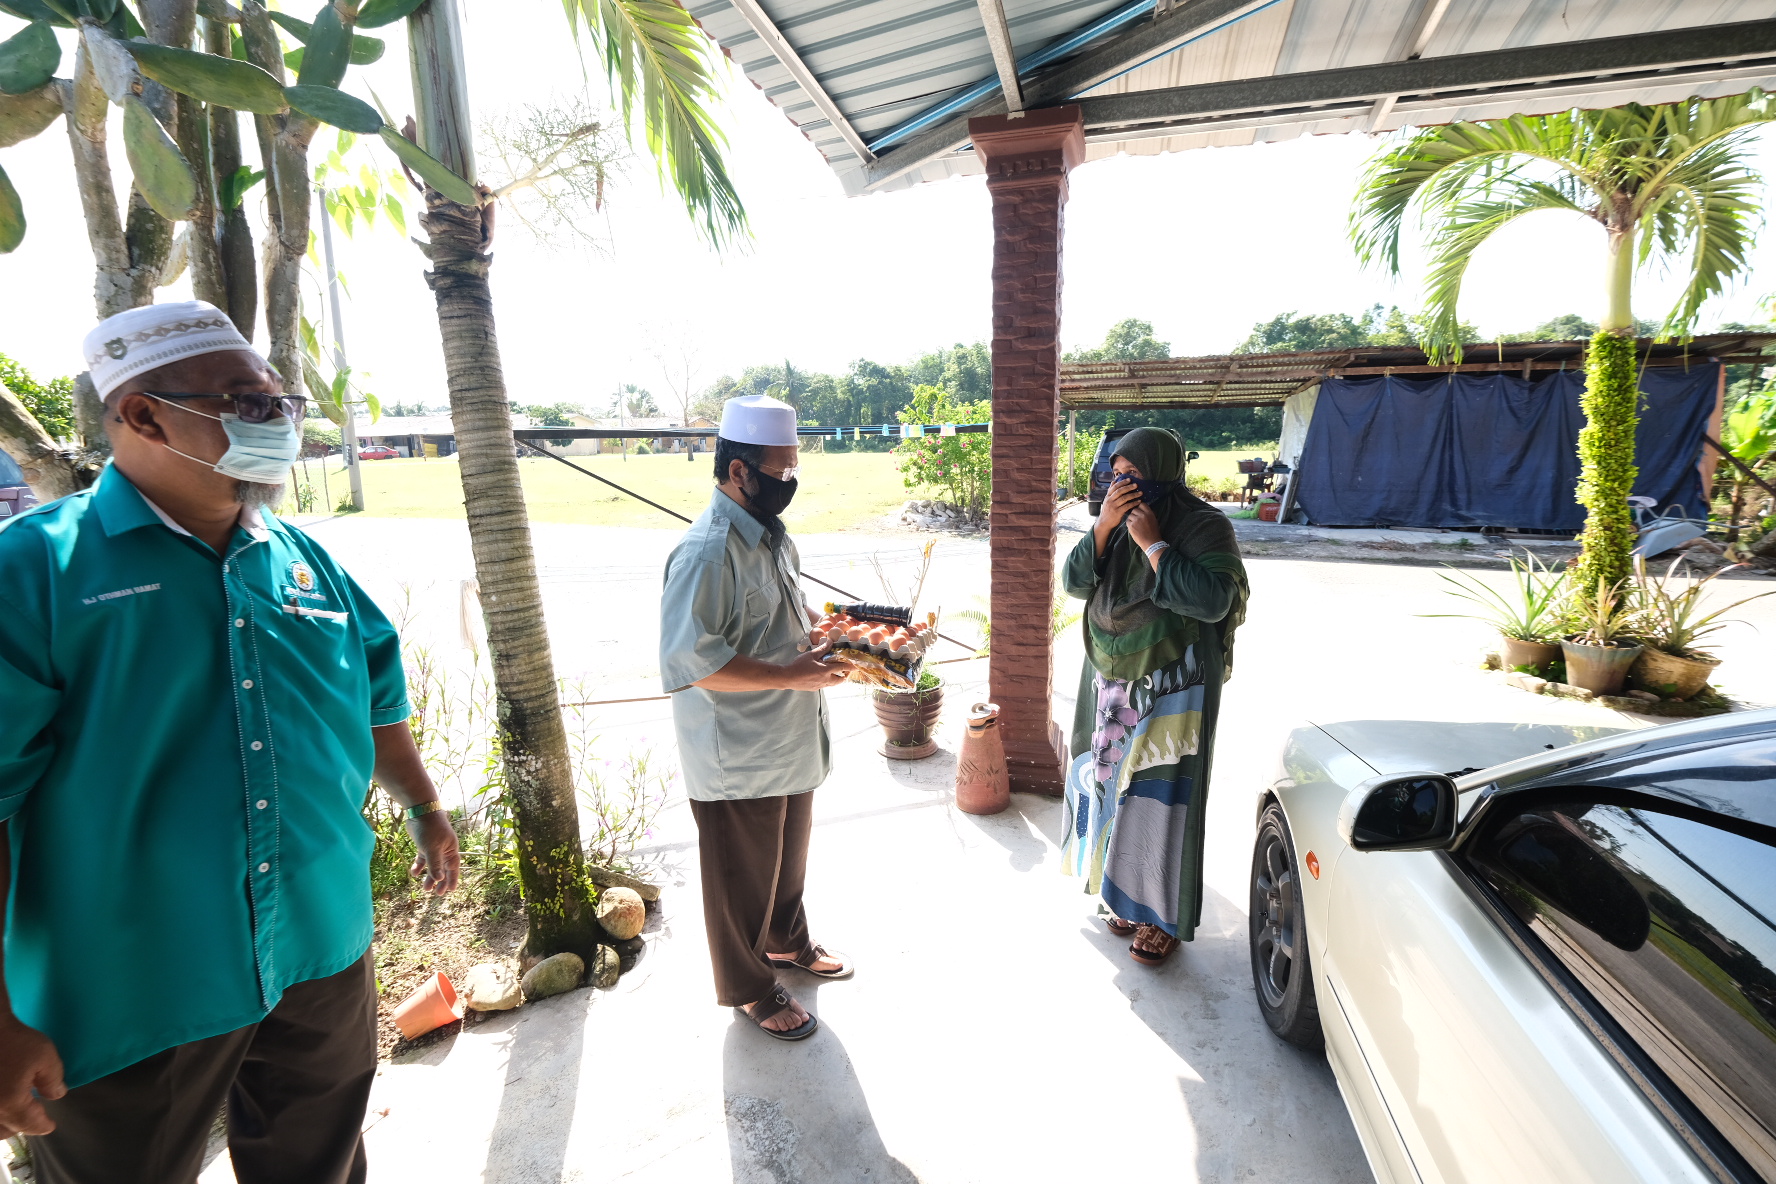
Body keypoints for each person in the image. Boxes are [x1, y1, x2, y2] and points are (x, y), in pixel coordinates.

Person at [0, 301, 460, 1183]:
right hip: (134, 981)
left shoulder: (306, 564)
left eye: (283, 405)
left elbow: (374, 698)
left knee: (319, 1163)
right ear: (143, 415)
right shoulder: (34, 575)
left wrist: (424, 805)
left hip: (320, 949)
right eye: (248, 404)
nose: (278, 425)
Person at [658, 393, 852, 1041]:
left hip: (788, 736)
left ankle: (786, 941)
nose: (790, 482)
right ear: (739, 471)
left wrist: (827, 632)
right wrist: (793, 675)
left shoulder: (767, 534)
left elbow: (779, 611)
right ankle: (748, 987)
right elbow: (691, 661)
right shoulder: (707, 553)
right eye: (781, 471)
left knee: (786, 860)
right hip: (738, 750)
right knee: (741, 875)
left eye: (795, 468)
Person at [1060, 427, 1247, 966]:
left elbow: (1213, 601)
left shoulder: (1204, 525)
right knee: (1109, 786)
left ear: (1164, 472)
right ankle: (1119, 894)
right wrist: (1103, 527)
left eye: (1134, 474)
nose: (1121, 484)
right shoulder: (1112, 521)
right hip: (1110, 680)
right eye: (1116, 474)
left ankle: (1160, 918)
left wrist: (1155, 544)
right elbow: (1075, 583)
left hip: (1173, 686)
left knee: (1159, 797)